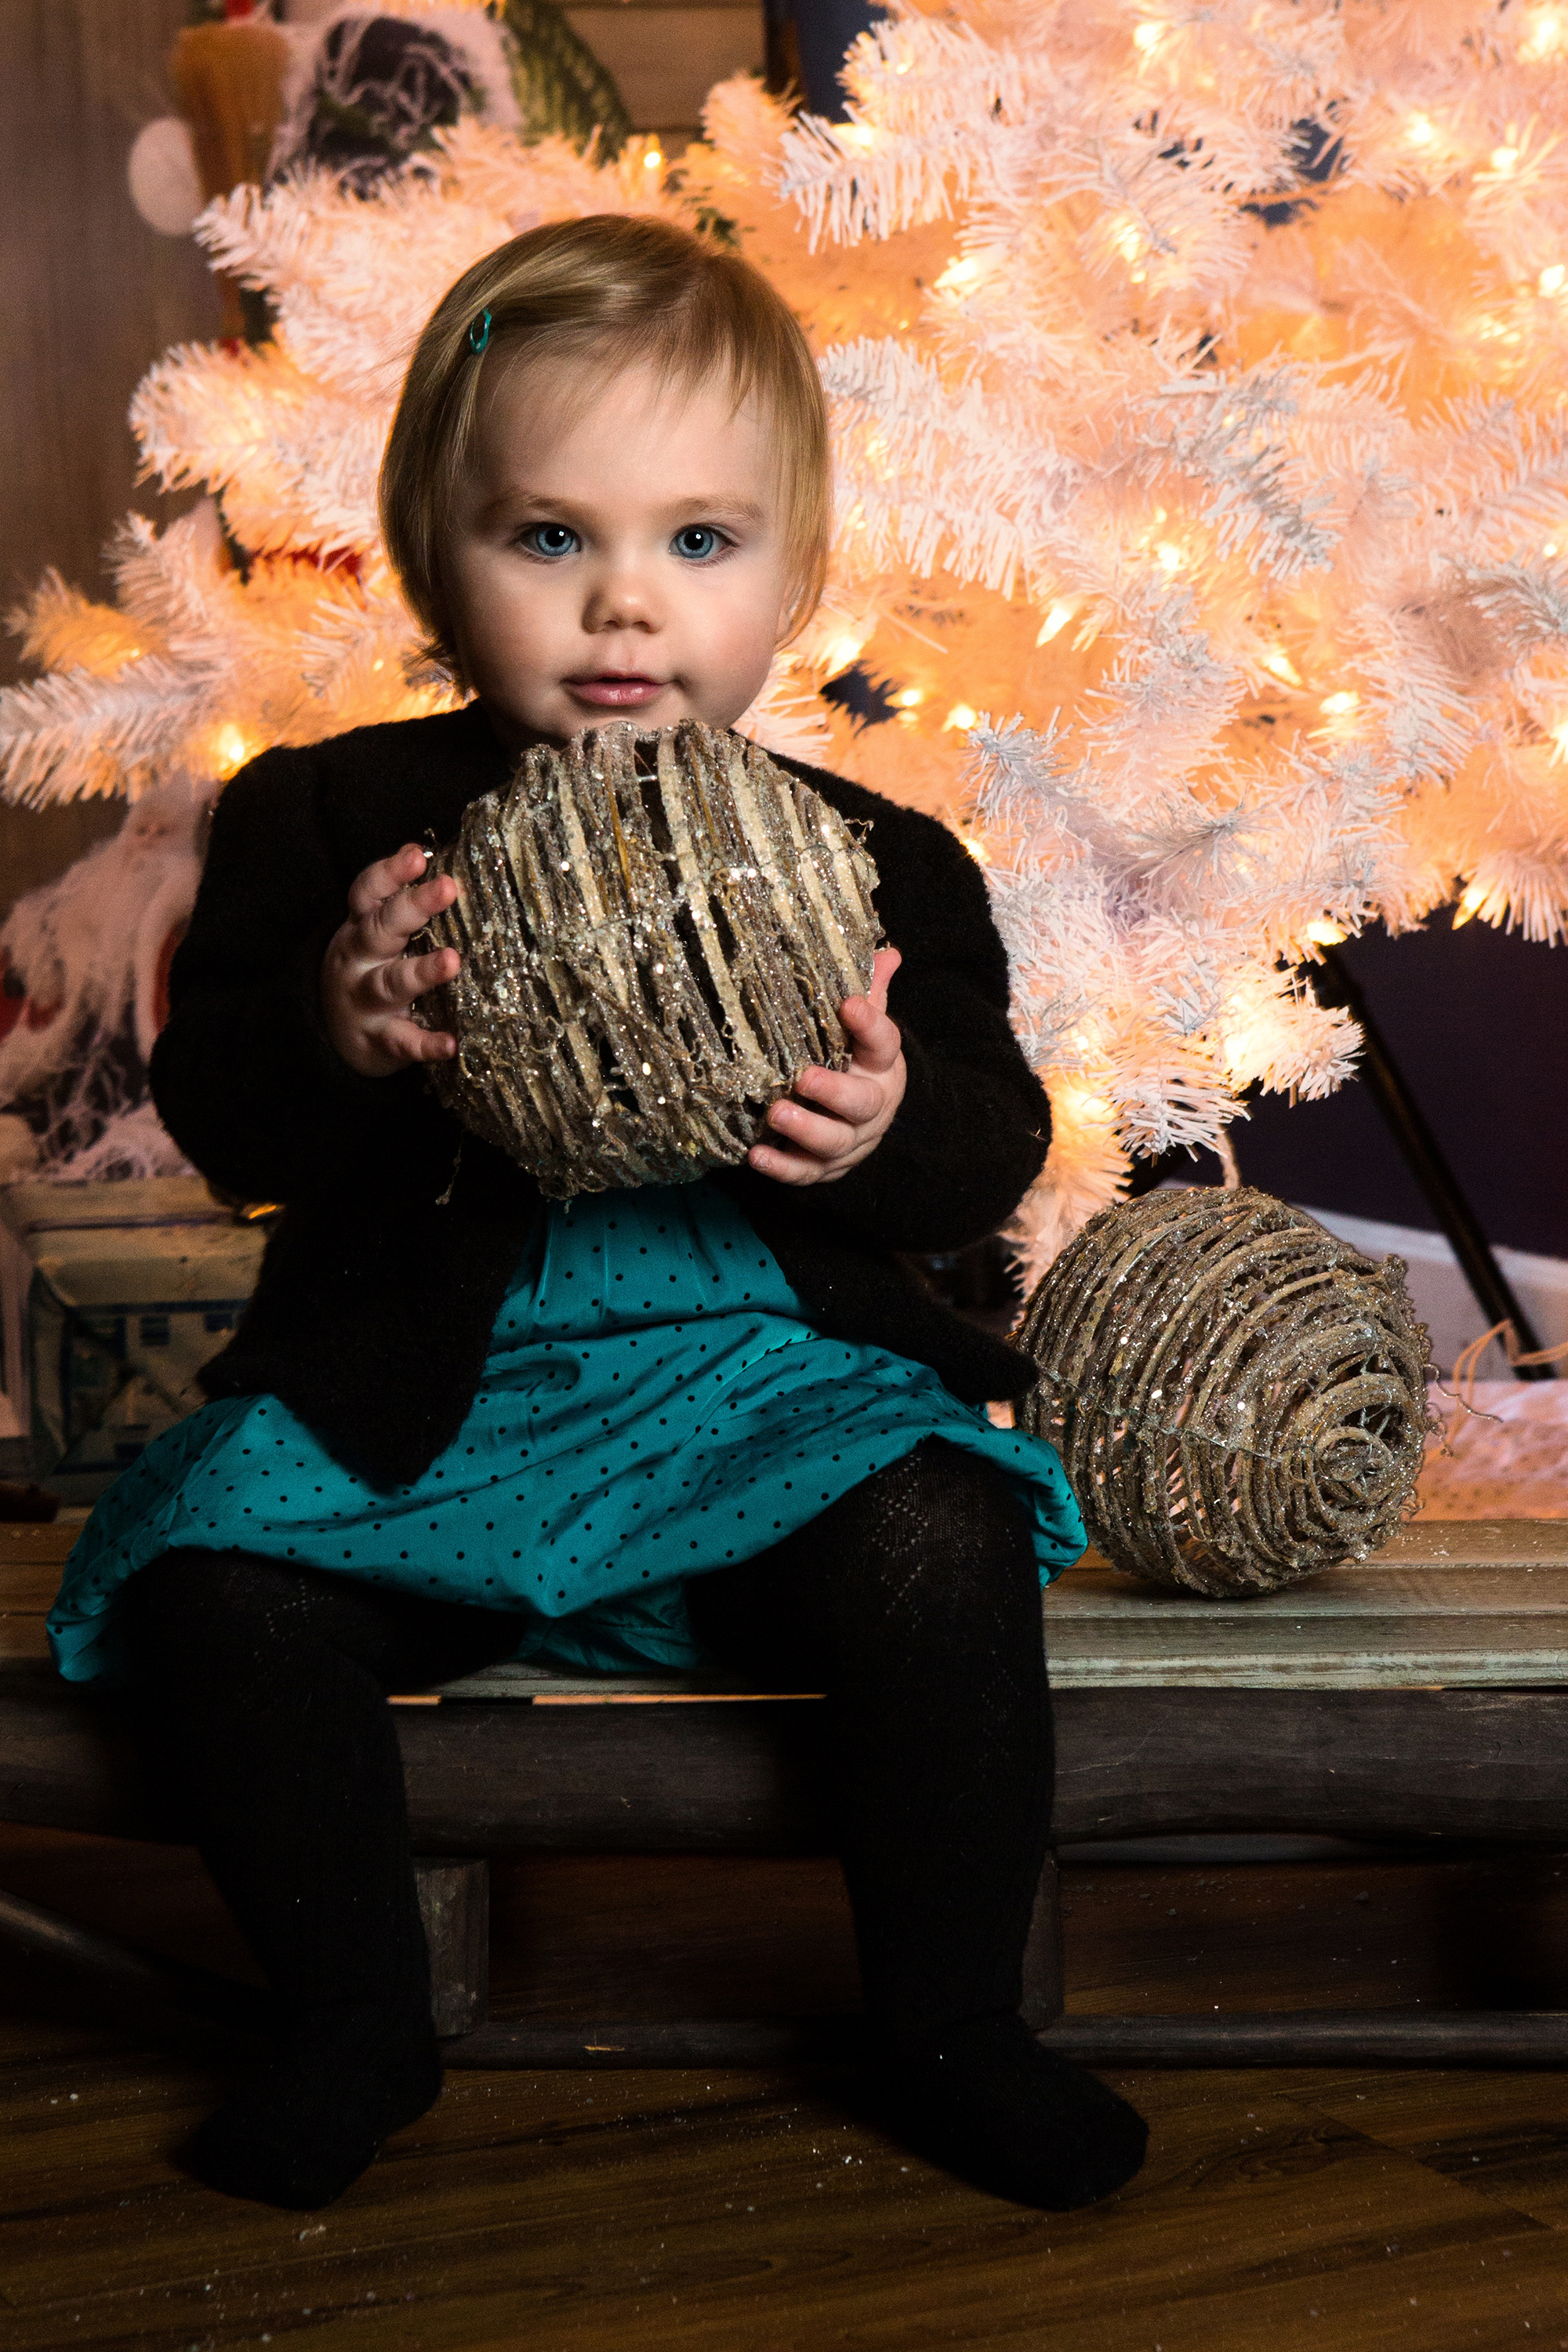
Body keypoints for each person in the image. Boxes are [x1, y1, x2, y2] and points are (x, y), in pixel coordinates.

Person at [49, 215, 1148, 2215]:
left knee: (945, 1526)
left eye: (699, 542)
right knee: (225, 1584)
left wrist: (885, 1119)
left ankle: (954, 2020)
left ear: (791, 575)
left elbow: (989, 1140)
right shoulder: (328, 817)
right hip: (426, 1408)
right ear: (432, 552)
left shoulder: (878, 858)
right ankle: (352, 2017)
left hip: (764, 1394)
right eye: (549, 536)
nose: (624, 601)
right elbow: (223, 1120)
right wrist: (338, 1025)